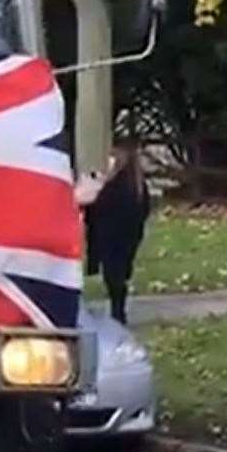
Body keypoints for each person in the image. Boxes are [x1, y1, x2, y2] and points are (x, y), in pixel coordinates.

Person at [78, 138, 151, 323]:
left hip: (114, 233)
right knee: (117, 271)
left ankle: (118, 311)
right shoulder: (133, 183)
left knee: (114, 273)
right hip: (124, 233)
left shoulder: (123, 183)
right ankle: (118, 308)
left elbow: (100, 204)